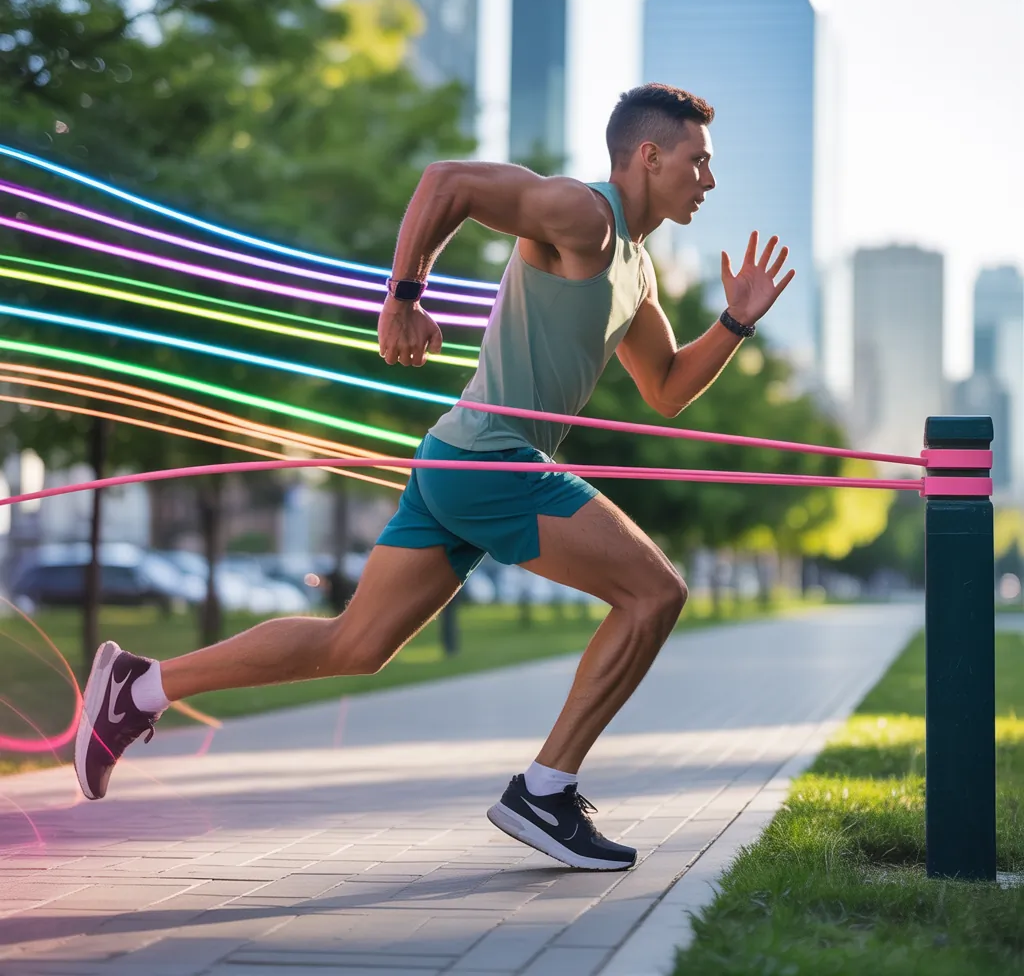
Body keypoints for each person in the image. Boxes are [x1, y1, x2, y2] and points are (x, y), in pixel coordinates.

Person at [75, 83, 794, 872]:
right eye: (699, 162)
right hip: (492, 454)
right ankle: (545, 793)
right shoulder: (584, 215)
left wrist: (735, 323)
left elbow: (665, 390)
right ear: (650, 157)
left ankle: (139, 689)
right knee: (656, 593)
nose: (709, 182)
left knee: (356, 642)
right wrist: (404, 296)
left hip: (460, 455)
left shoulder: (635, 265)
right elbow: (445, 182)